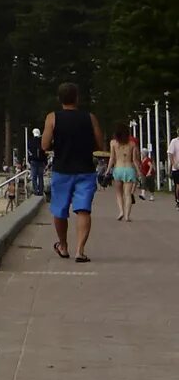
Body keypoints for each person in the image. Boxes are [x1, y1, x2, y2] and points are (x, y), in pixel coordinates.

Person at [42, 84, 101, 263]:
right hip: (85, 169)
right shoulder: (89, 118)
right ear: (77, 98)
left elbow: (44, 145)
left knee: (60, 210)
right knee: (83, 210)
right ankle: (80, 251)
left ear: (59, 99)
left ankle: (63, 245)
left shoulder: (52, 118)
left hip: (62, 169)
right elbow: (99, 144)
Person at [108, 124, 141, 223]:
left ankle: (121, 211)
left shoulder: (113, 143)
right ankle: (127, 216)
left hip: (118, 169)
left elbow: (112, 158)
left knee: (119, 193)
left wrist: (107, 170)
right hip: (129, 169)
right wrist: (139, 171)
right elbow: (135, 160)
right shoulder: (132, 144)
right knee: (128, 194)